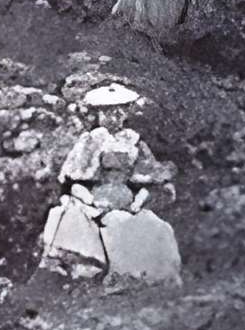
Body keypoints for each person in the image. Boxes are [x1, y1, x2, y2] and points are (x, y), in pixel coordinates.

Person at [35, 83, 182, 286]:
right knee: (93, 224)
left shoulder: (134, 141)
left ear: (126, 112)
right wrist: (91, 202)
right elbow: (74, 182)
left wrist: (137, 204)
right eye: (107, 111)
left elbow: (146, 181)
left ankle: (147, 279)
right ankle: (94, 276)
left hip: (127, 204)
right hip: (96, 201)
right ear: (99, 113)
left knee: (157, 228)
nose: (113, 115)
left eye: (119, 110)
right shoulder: (90, 140)